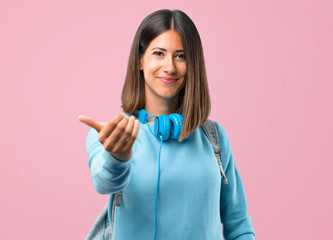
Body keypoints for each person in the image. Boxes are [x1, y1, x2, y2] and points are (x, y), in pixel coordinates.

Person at [78, 9, 255, 240]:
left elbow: (238, 225)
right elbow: (104, 183)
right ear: (140, 60)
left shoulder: (215, 138)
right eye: (159, 53)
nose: (169, 66)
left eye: (180, 56)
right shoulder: (110, 135)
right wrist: (118, 157)